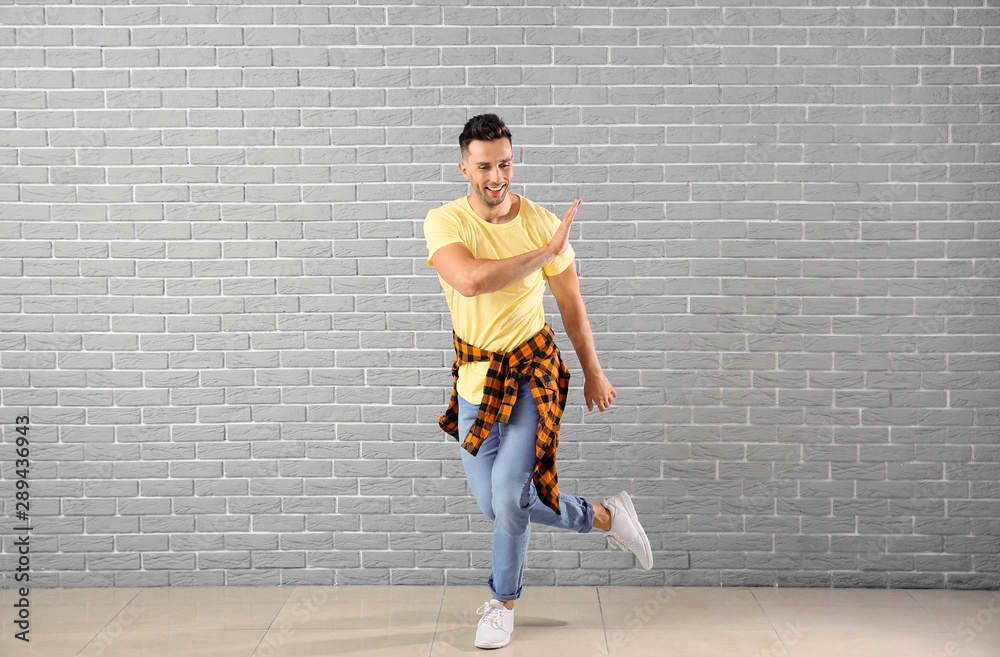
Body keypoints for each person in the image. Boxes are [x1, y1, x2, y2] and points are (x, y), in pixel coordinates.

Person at [424, 113, 653, 650]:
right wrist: (544, 255)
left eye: (504, 162)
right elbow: (470, 280)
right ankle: (603, 516)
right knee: (494, 503)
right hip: (477, 378)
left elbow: (572, 306)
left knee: (508, 495)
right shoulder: (445, 221)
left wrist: (594, 371)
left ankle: (502, 604)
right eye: (484, 166)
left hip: (533, 374)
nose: (497, 175)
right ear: (465, 169)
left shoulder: (542, 222)